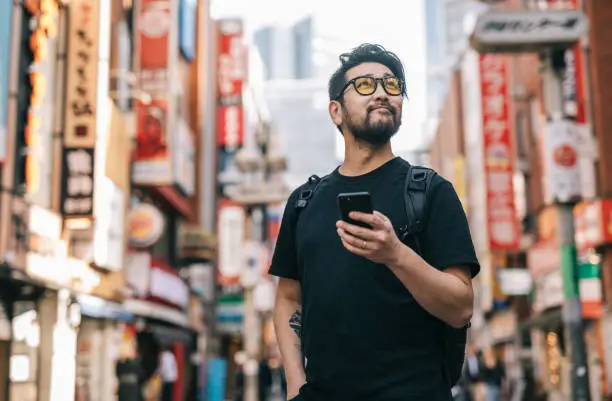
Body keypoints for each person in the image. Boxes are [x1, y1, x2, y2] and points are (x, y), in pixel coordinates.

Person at [269, 43, 480, 401]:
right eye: (365, 85)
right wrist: (295, 385)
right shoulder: (304, 202)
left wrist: (395, 254)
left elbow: (460, 307)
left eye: (392, 86)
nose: (383, 93)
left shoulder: (431, 192)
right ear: (335, 111)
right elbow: (289, 298)